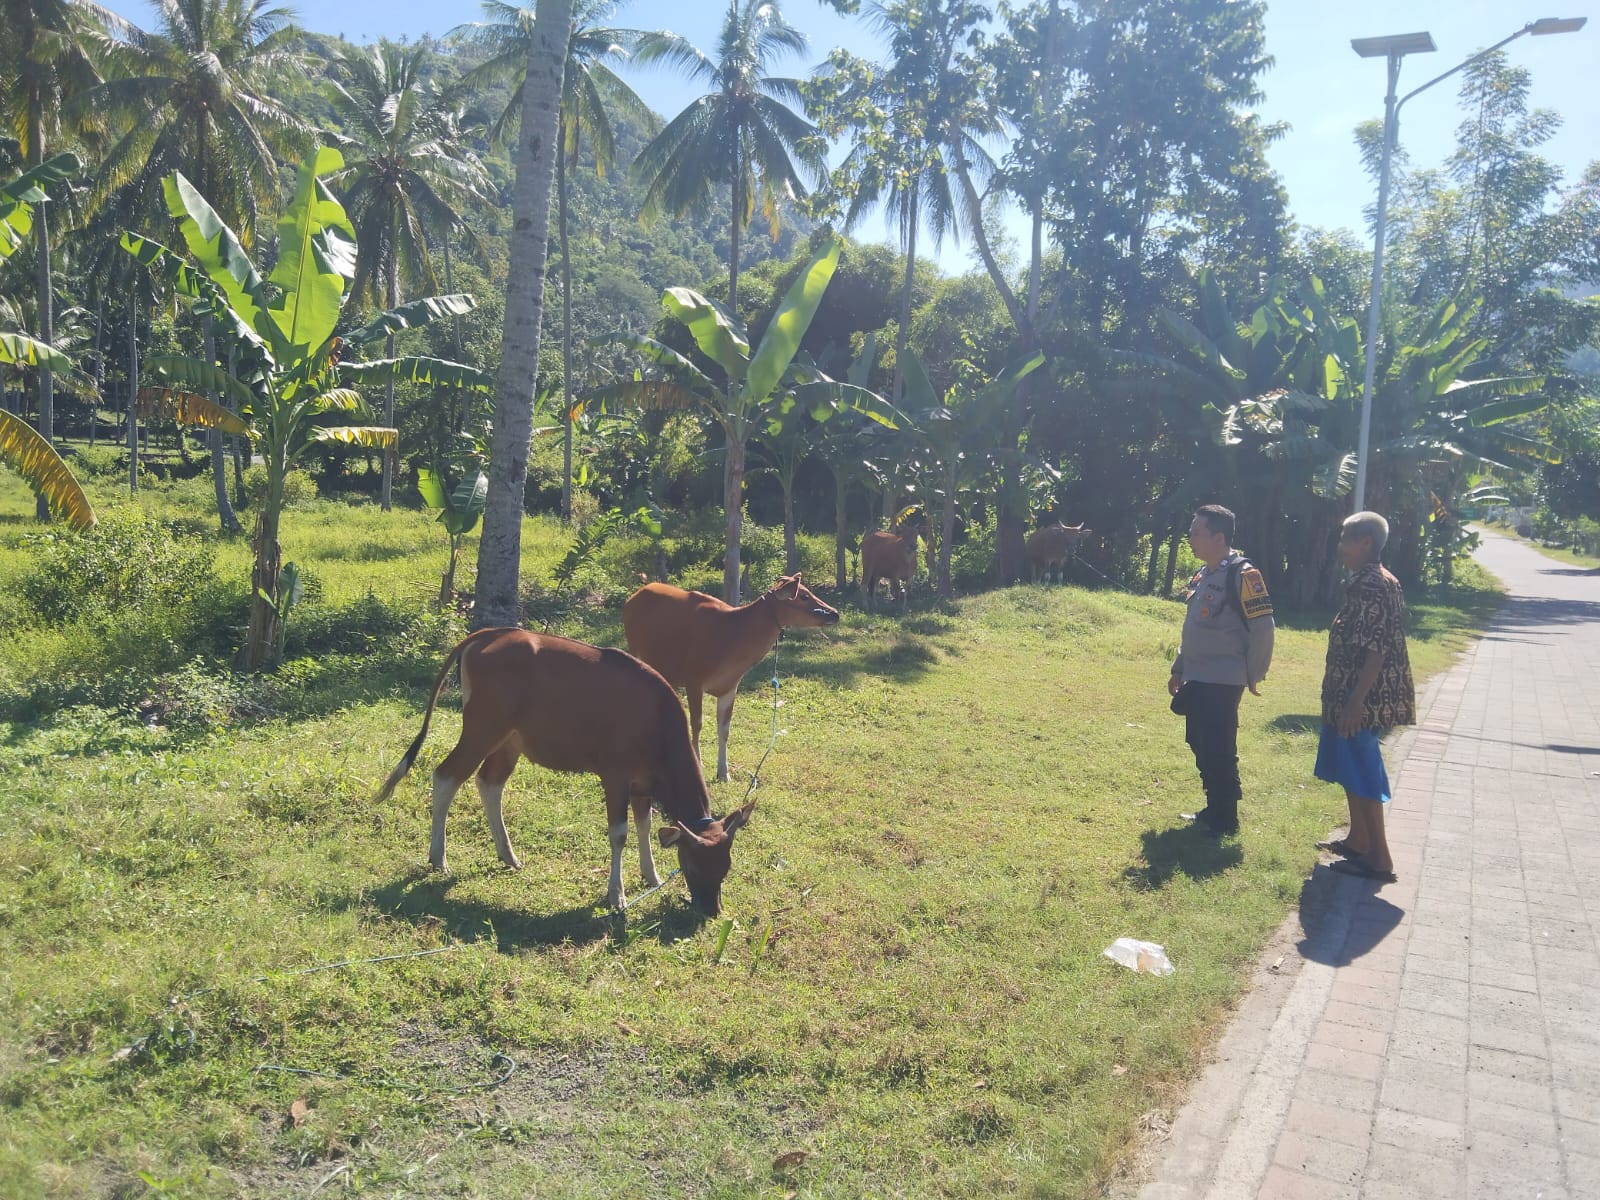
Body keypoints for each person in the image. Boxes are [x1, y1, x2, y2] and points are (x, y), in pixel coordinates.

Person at [1314, 510, 1415, 883]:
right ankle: (1359, 841)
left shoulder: (1371, 584)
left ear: (1366, 543)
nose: (1340, 547)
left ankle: (1380, 858)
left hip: (1362, 699)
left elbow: (1376, 649)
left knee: (1362, 773)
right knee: (1352, 769)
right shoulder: (1377, 579)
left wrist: (1356, 702)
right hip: (1353, 694)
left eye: (1346, 540)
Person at [1167, 505, 1275, 836]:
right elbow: (1194, 627)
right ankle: (1213, 806)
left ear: (1219, 537)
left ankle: (1225, 818)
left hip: (1224, 678)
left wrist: (1254, 673)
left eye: (1196, 532)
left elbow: (1263, 629)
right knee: (1198, 740)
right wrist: (1179, 667)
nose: (1190, 538)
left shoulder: (1244, 575)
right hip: (1198, 674)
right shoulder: (1203, 574)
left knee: (1218, 746)